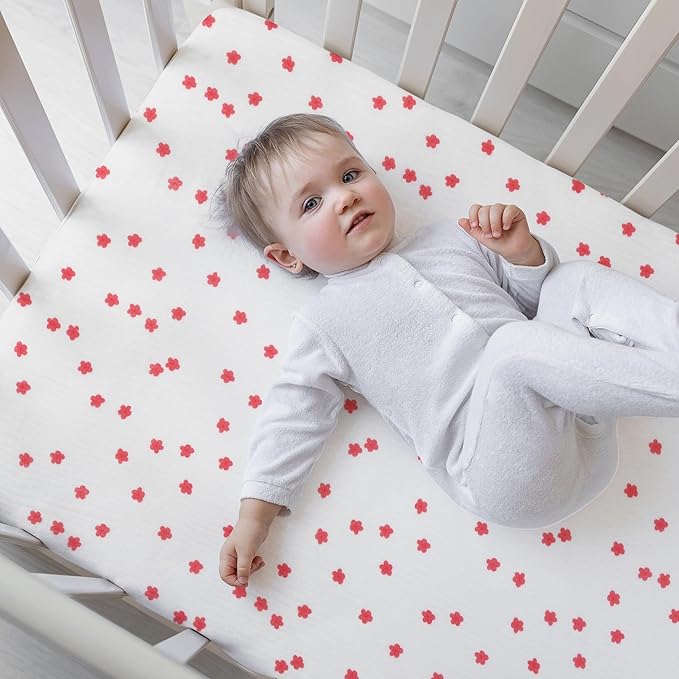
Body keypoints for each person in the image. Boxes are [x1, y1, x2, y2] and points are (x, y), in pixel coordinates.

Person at [213, 113, 679, 588]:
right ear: (288, 256)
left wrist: (523, 257)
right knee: (513, 349)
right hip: (502, 473)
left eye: (351, 175)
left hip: (580, 424)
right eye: (312, 203)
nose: (345, 197)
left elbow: (535, 308)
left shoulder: (451, 238)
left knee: (571, 279)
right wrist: (254, 517)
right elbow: (293, 412)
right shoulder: (325, 322)